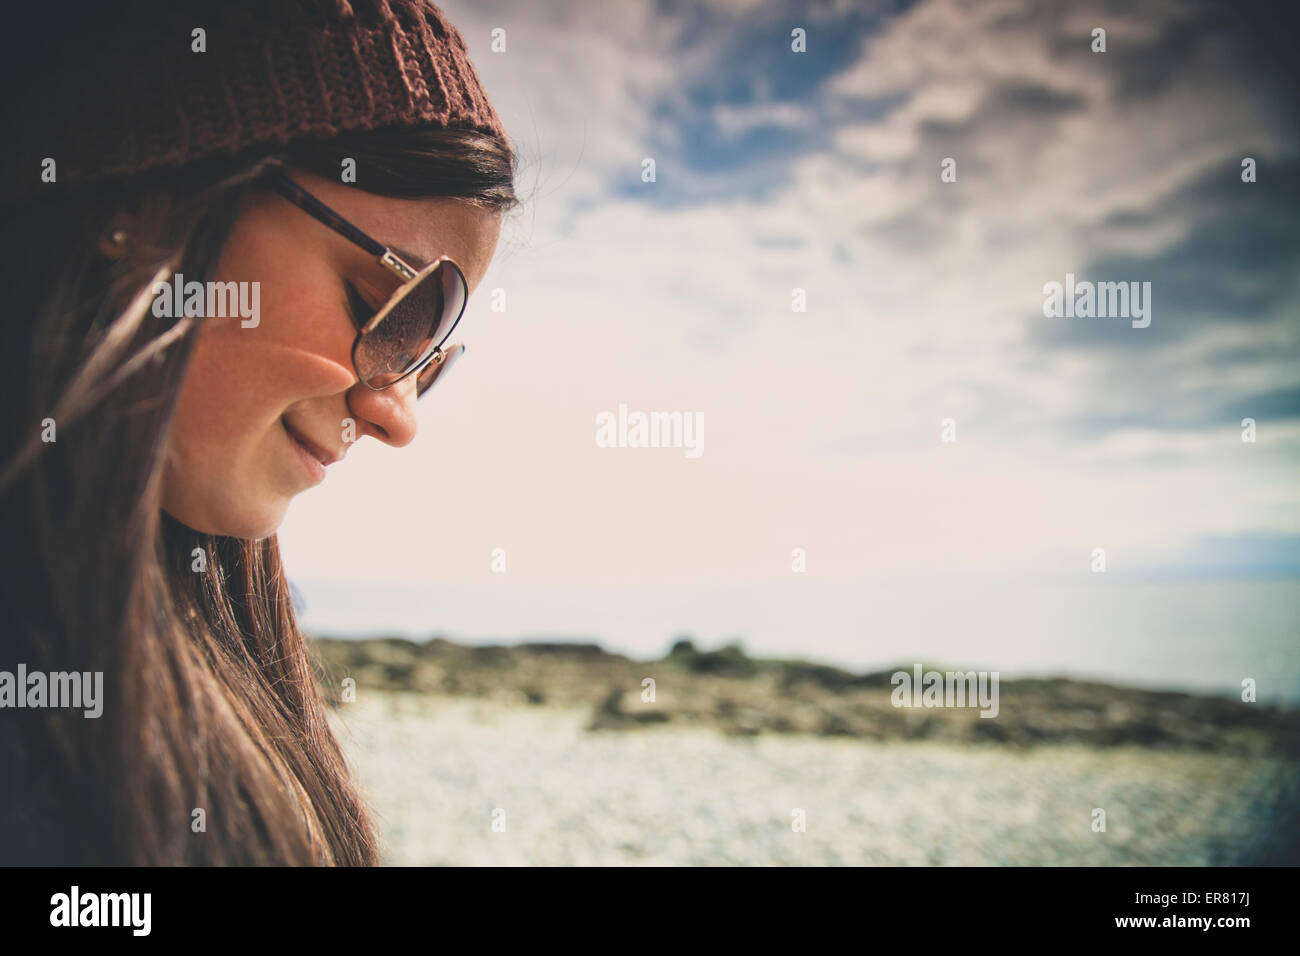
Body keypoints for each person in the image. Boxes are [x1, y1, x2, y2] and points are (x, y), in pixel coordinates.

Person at [0, 0, 520, 865]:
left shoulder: (213, 644)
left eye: (429, 357)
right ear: (145, 197)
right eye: (395, 311)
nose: (398, 415)